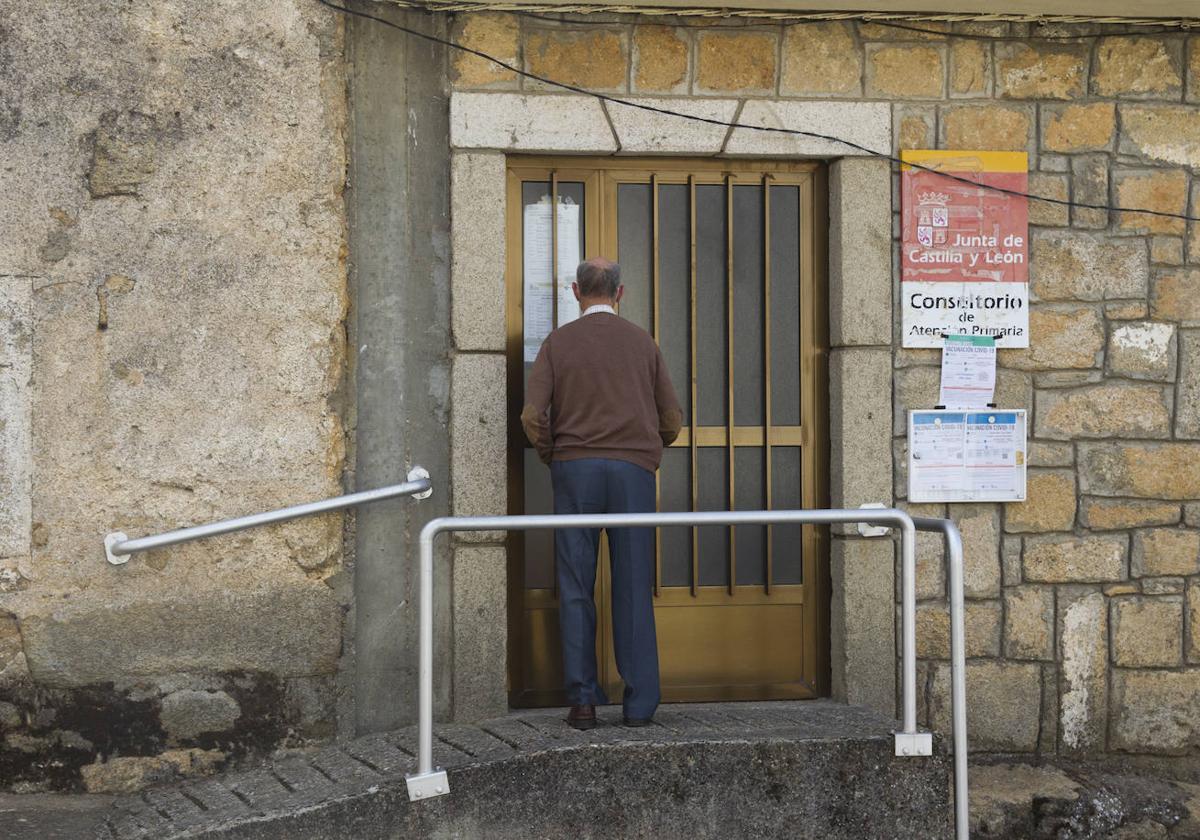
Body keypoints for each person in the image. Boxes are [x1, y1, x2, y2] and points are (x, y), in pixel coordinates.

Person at [522, 257, 682, 730]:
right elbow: (671, 418)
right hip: (632, 473)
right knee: (633, 583)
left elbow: (533, 415)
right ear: (620, 292)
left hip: (575, 472)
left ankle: (584, 702)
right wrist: (648, 448)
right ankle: (639, 705)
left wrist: (554, 453)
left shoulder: (557, 343)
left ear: (575, 292)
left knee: (576, 585)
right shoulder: (642, 343)